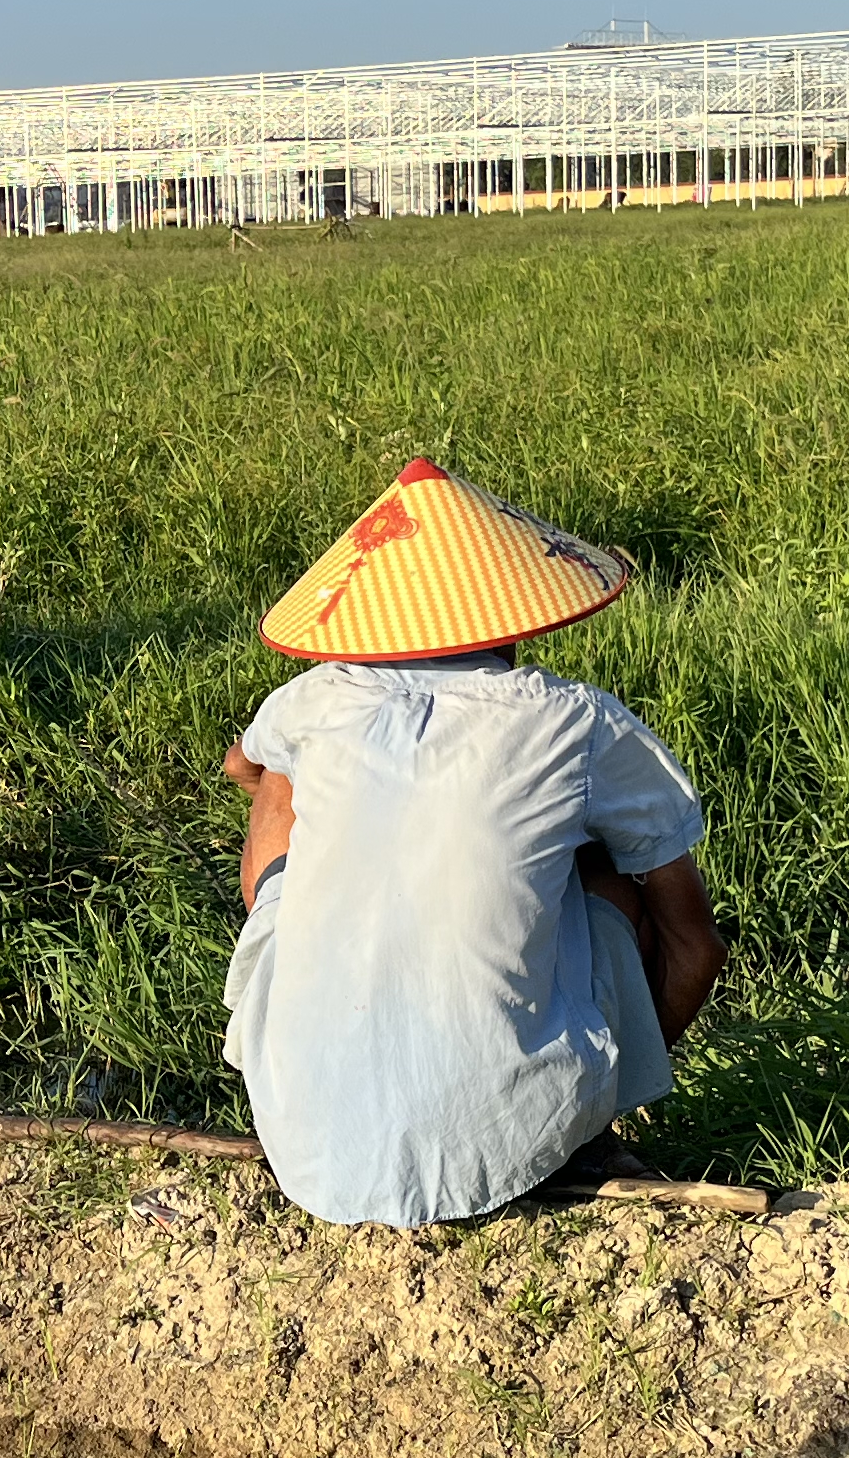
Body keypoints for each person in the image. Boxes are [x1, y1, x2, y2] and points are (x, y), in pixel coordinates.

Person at [219, 458, 727, 1227]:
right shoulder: (574, 724)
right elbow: (696, 947)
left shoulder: (319, 695)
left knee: (282, 784)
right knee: (609, 871)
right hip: (510, 1142)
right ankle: (578, 1126)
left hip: (305, 1140)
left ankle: (332, 1033)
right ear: (514, 614)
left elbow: (242, 767)